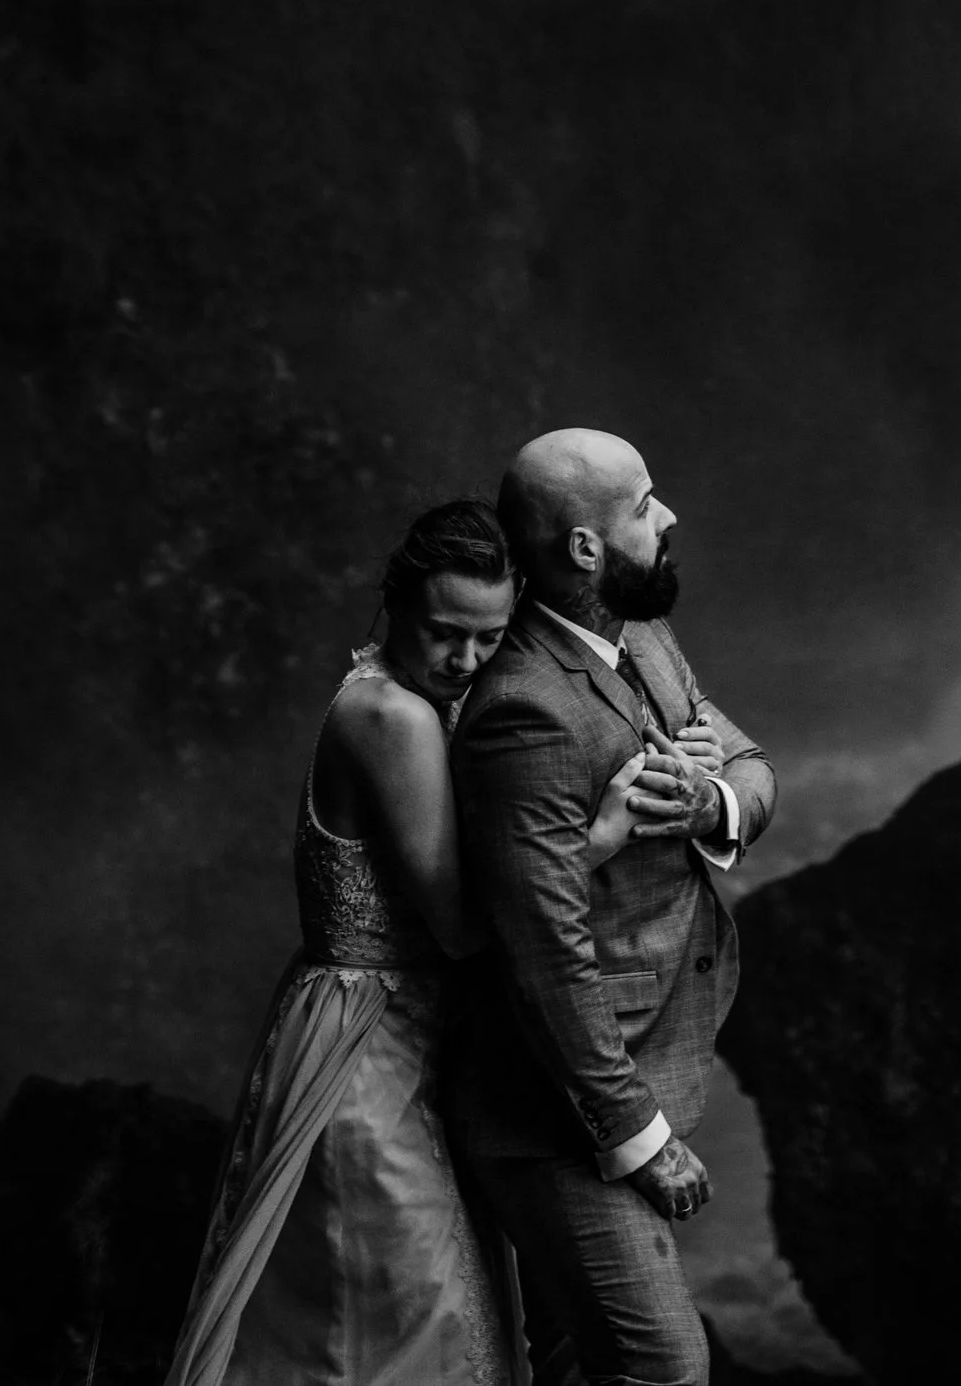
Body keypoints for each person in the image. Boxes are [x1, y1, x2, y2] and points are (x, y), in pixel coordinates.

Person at [164, 497, 652, 1386]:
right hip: (368, 1052)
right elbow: (464, 926)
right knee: (396, 1328)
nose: (465, 661)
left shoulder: (402, 692)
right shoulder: (393, 717)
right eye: (444, 633)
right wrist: (602, 834)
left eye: (489, 637)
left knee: (396, 1321)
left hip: (382, 1035)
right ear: (394, 604)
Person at [448, 429, 777, 1386]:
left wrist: (708, 802)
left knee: (568, 1360)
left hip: (641, 1057)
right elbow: (541, 947)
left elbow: (753, 764)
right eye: (644, 505)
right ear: (586, 549)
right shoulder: (523, 708)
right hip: (559, 1110)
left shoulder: (639, 635)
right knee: (666, 1367)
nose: (668, 517)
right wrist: (639, 1138)